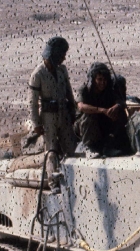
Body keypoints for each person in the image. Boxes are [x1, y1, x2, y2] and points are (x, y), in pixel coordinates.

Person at [28, 36, 77, 173]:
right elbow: (32, 102)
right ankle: (53, 181)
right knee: (51, 151)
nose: (64, 58)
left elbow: (69, 92)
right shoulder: (38, 74)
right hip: (49, 118)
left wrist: (73, 111)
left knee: (71, 148)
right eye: (62, 55)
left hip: (64, 114)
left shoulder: (62, 70)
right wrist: (36, 124)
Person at [75, 62, 129, 157]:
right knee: (89, 115)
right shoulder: (84, 90)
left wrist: (116, 106)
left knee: (120, 113)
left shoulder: (108, 90)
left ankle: (110, 145)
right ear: (93, 79)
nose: (103, 83)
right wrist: (102, 110)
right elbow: (81, 106)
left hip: (102, 121)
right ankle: (89, 147)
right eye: (99, 79)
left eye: (105, 79)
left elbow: (121, 101)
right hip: (84, 126)